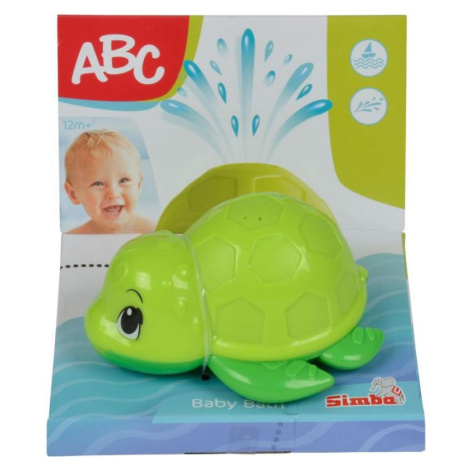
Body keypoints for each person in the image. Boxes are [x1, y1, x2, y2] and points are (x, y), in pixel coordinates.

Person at [64, 130, 155, 234]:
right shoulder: (74, 238)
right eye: (98, 184)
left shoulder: (153, 232)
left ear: (138, 185)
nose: (113, 194)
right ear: (73, 194)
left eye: (123, 180)